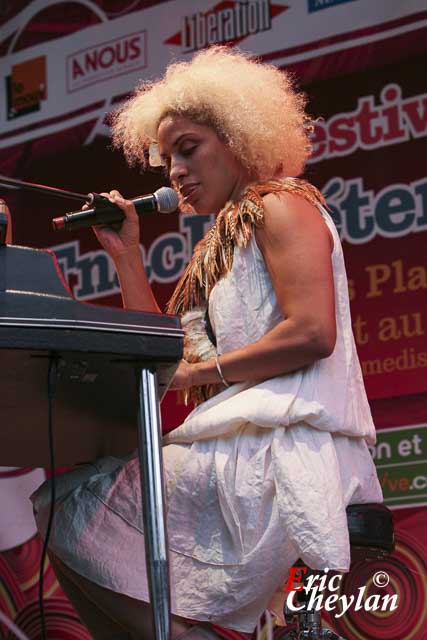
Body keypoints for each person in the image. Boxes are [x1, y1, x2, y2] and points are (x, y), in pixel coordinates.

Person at [32, 46, 382, 639]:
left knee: (72, 506)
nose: (174, 172)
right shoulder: (219, 246)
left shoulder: (280, 207)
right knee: (69, 505)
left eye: (188, 149)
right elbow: (171, 359)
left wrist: (201, 374)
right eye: (166, 158)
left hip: (284, 447)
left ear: (239, 137)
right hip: (238, 443)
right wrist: (127, 258)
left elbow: (312, 332)